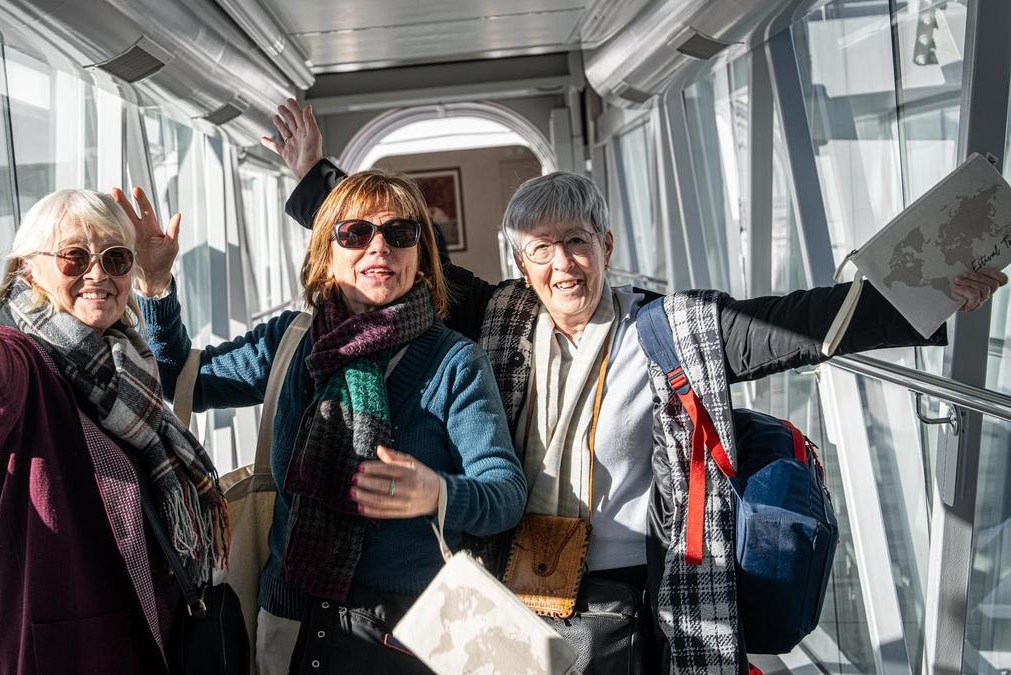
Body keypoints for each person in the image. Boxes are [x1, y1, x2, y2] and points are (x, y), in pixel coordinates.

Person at [264, 99, 1009, 674]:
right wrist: (311, 180)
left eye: (577, 244)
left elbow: (799, 324)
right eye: (542, 252)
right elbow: (384, 248)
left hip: (618, 594)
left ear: (606, 246)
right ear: (522, 265)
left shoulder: (671, 331)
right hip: (511, 585)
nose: (563, 267)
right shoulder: (501, 317)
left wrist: (930, 294)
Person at [129, 170, 527, 675]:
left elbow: (506, 494)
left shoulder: (454, 361)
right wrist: (155, 285)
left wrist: (438, 493)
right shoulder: (292, 342)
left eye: (399, 234)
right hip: (291, 620)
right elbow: (182, 378)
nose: (378, 248)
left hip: (408, 636)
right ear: (326, 253)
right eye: (356, 233)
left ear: (421, 255)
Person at [0, 190, 231, 675]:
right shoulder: (25, 357)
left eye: (114, 259)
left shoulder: (126, 362)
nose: (97, 274)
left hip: (155, 636)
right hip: (73, 649)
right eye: (74, 257)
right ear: (29, 270)